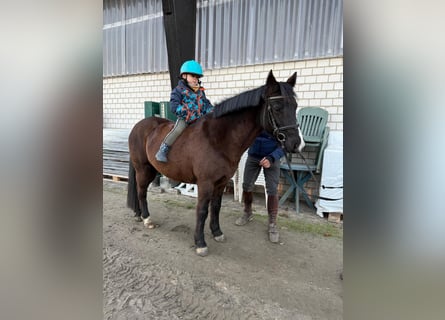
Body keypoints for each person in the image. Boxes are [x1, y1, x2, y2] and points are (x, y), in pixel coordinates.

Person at [155, 60, 214, 162]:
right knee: (178, 129)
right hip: (185, 119)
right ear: (184, 76)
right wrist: (188, 114)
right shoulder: (178, 90)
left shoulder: (200, 91)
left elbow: (206, 105)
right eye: (193, 76)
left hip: (200, 119)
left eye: (197, 77)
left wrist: (213, 112)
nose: (195, 79)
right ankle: (163, 149)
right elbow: (174, 106)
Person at [235, 131, 284, 243]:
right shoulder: (256, 116)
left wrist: (271, 158)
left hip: (272, 157)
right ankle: (248, 212)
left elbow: (286, 144)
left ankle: (272, 223)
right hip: (253, 155)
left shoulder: (281, 118)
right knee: (246, 185)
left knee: (272, 189)